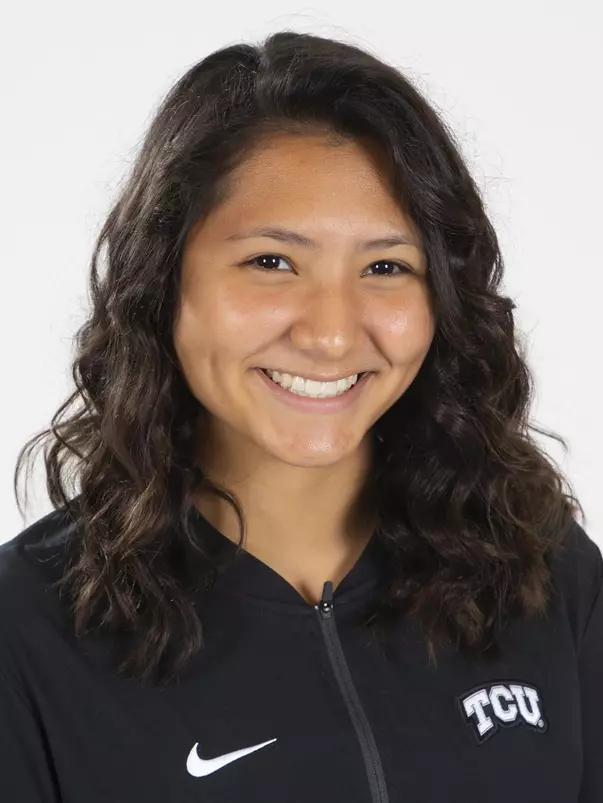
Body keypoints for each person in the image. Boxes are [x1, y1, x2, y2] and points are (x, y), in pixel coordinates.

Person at [1, 30, 600, 803]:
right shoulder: (26, 631)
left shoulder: (542, 571)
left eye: (386, 267)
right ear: (164, 280)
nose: (329, 332)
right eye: (271, 262)